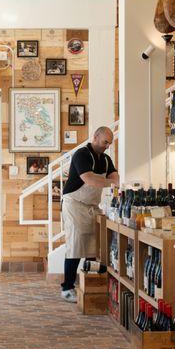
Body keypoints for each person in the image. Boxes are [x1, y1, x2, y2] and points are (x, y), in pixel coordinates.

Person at [60, 126, 119, 303]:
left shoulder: (106, 160)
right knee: (76, 243)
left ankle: (91, 284)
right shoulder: (82, 154)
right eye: (105, 142)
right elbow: (89, 179)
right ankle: (67, 287)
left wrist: (109, 181)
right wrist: (108, 182)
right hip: (74, 204)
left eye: (109, 143)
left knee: (95, 243)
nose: (107, 146)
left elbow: (116, 178)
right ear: (95, 137)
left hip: (92, 206)